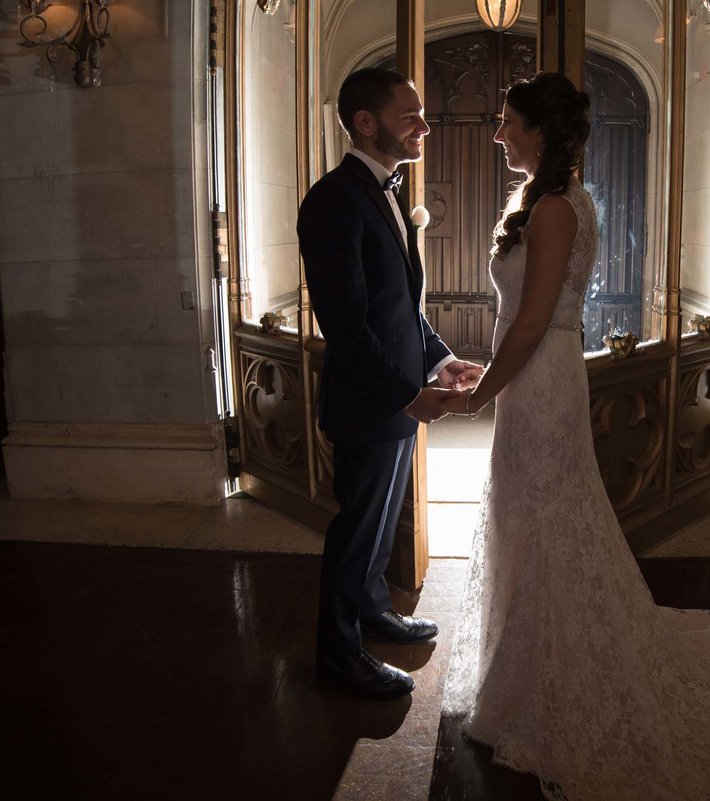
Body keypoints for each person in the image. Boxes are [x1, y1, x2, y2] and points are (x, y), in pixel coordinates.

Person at [440, 72, 710, 799]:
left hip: (541, 384)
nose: (499, 131)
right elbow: (532, 319)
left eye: (507, 121)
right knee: (533, 516)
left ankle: (549, 675)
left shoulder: (554, 212)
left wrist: (479, 392)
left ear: (539, 130)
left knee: (543, 515)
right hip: (540, 375)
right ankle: (530, 658)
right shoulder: (565, 200)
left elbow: (536, 322)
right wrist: (488, 366)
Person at [298, 68, 484, 700]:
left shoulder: (388, 192)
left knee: (380, 527)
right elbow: (348, 326)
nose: (424, 127)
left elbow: (402, 307)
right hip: (368, 402)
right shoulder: (334, 199)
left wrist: (439, 361)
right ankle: (338, 654)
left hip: (400, 396)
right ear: (365, 123)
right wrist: (406, 394)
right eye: (410, 116)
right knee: (356, 530)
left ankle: (374, 610)